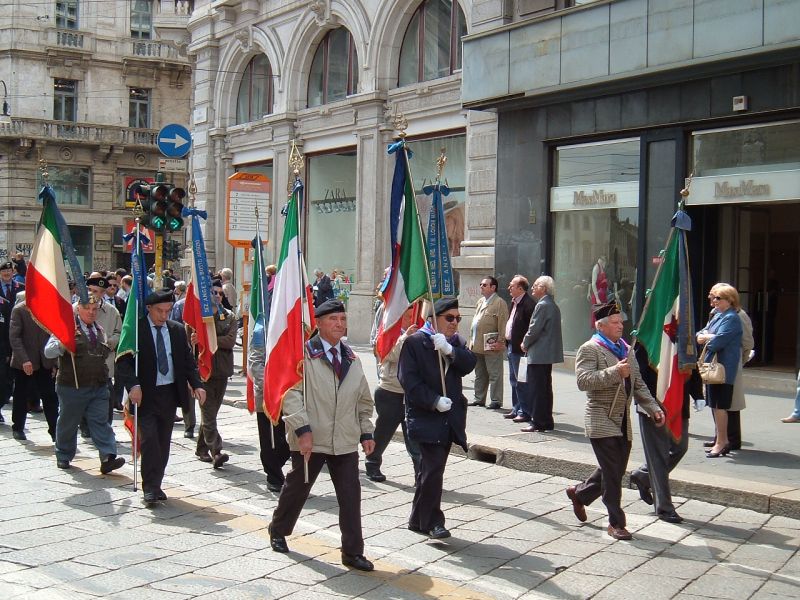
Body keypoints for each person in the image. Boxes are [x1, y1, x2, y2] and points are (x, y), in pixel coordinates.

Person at [268, 299, 376, 572]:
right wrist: (302, 430)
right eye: (333, 319)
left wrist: (366, 431)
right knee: (298, 488)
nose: (339, 324)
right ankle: (278, 529)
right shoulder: (304, 355)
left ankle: (352, 551)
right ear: (318, 323)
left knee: (350, 497)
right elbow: (291, 394)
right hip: (311, 438)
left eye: (342, 319)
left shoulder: (351, 358)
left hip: (344, 440)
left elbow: (363, 400)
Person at [566, 301, 665, 541]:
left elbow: (638, 384)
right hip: (600, 417)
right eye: (615, 322)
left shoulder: (626, 349)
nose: (621, 326)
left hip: (622, 420)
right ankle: (616, 522)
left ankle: (580, 494)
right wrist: (615, 372)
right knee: (612, 474)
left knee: (615, 469)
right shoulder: (590, 349)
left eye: (621, 321)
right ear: (601, 326)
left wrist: (653, 408)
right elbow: (583, 381)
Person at [116, 288, 206, 506]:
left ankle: (156, 483)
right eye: (159, 311)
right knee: (149, 440)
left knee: (163, 441)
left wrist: (197, 385)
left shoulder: (176, 330)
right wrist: (133, 385)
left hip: (169, 393)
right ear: (149, 308)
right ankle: (149, 487)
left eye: (168, 311)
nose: (164, 316)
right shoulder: (136, 330)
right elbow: (123, 362)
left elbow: (187, 361)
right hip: (145, 394)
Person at [398, 297, 477, 539]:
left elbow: (469, 364)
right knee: (433, 470)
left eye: (458, 318)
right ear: (433, 318)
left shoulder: (456, 342)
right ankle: (433, 522)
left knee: (430, 470)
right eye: (449, 318)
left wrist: (450, 350)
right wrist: (433, 400)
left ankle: (417, 519)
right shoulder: (415, 342)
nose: (454, 323)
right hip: (426, 415)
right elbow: (408, 380)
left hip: (450, 418)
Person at [44, 297, 125, 474]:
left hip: (98, 385)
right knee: (68, 422)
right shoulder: (66, 328)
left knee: (101, 422)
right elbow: (48, 351)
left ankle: (108, 457)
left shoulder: (100, 330)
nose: (91, 312)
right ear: (78, 308)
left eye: (95, 309)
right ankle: (63, 454)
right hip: (72, 386)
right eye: (87, 308)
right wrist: (63, 342)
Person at [629, 343, 704, 523]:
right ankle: (664, 508)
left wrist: (697, 394)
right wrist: (648, 404)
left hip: (678, 401)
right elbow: (639, 374)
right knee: (658, 457)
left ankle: (643, 475)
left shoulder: (683, 332)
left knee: (680, 447)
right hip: (653, 401)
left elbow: (690, 362)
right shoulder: (649, 334)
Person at [365, 303, 422, 483]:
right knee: (383, 432)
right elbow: (389, 355)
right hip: (390, 390)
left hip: (412, 392)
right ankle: (372, 462)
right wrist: (406, 337)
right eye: (407, 316)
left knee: (414, 435)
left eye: (412, 315)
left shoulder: (418, 331)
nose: (410, 319)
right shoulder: (389, 331)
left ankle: (420, 473)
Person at [248, 270, 290, 493]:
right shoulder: (261, 328)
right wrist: (271, 385)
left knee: (287, 440)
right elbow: (255, 360)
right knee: (269, 439)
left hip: (290, 394)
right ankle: (273, 475)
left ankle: (276, 465)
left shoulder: (292, 327)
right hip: (266, 394)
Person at [700, 283, 754, 451]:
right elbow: (702, 334)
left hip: (730, 362)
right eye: (711, 296)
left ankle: (731, 439)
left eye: (716, 296)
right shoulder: (717, 313)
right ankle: (720, 437)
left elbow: (747, 341)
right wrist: (708, 337)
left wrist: (741, 360)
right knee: (717, 403)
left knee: (729, 402)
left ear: (729, 299)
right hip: (714, 362)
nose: (712, 299)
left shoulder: (737, 315)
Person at [192, 280, 237, 468]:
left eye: (220, 293)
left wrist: (207, 338)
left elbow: (230, 341)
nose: (217, 296)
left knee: (211, 413)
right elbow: (191, 342)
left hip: (222, 371)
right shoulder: (199, 317)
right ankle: (216, 451)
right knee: (209, 414)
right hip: (203, 372)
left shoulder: (229, 316)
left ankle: (201, 448)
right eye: (213, 292)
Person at [9, 299, 59, 440]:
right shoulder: (19, 309)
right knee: (21, 395)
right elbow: (15, 337)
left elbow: (54, 336)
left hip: (45, 362)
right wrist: (24, 359)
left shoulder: (49, 309)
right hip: (24, 363)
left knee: (50, 397)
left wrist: (54, 363)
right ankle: (18, 427)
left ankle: (55, 430)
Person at [520, 276, 564, 432]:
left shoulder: (543, 305)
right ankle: (546, 421)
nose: (532, 288)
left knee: (537, 389)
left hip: (539, 354)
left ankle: (538, 421)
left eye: (536, 285)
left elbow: (534, 329)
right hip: (546, 354)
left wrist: (525, 343)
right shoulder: (552, 304)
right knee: (544, 389)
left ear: (543, 288)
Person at [467, 276, 509, 410]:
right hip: (478, 343)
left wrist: (501, 341)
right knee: (480, 373)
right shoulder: (480, 301)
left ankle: (496, 400)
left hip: (492, 344)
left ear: (493, 287)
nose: (481, 287)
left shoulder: (499, 303)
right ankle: (479, 398)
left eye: (484, 285)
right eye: (481, 284)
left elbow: (503, 324)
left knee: (494, 373)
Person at [84, 275, 122, 423]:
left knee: (106, 400)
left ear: (103, 293)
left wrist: (108, 343)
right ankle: (86, 427)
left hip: (104, 364)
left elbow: (119, 332)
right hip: (82, 366)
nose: (92, 293)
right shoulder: (75, 309)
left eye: (96, 291)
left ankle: (106, 426)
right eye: (90, 290)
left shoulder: (112, 311)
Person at [503, 275, 536, 422]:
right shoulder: (514, 302)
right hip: (511, 346)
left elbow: (532, 329)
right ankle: (516, 408)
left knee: (522, 381)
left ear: (520, 288)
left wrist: (525, 344)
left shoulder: (529, 304)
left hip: (521, 349)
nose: (509, 288)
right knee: (513, 380)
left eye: (512, 285)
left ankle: (525, 411)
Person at [0, 260, 25, 423]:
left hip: (16, 337)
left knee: (10, 379)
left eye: (9, 271)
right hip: (1, 336)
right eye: (3, 271)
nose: (7, 273)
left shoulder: (21, 288)